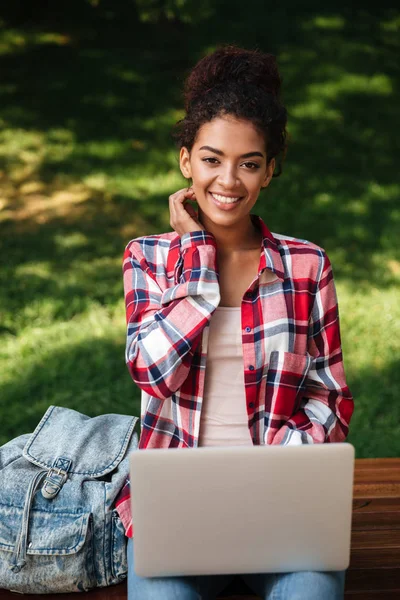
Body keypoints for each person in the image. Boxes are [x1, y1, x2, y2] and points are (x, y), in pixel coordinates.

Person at [115, 44, 354, 600]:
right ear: (185, 162)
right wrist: (196, 257)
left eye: (249, 163)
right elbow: (153, 374)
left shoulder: (306, 265)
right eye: (211, 159)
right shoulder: (147, 257)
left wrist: (284, 461)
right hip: (175, 510)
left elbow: (332, 394)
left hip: (282, 504)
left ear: (270, 170)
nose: (229, 180)